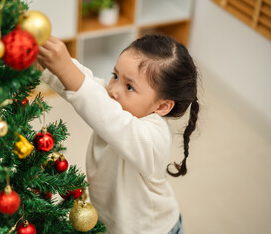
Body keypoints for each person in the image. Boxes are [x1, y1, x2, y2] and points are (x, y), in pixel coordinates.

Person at [37, 34, 199, 234]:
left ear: (162, 105)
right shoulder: (113, 101)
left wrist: (65, 68)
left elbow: (109, 117)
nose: (113, 90)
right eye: (115, 75)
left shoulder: (155, 136)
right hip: (110, 223)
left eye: (129, 87)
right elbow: (86, 84)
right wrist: (47, 62)